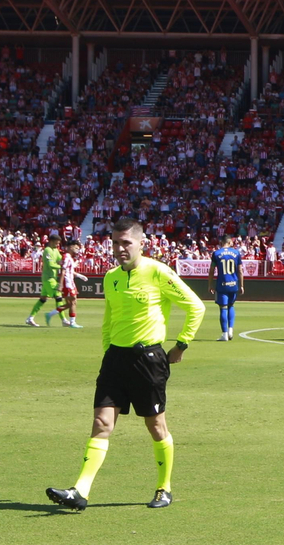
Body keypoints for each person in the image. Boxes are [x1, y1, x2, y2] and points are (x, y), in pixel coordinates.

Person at [46, 218, 205, 512]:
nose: (119, 248)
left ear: (141, 244)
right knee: (101, 423)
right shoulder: (111, 277)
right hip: (115, 360)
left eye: (126, 243)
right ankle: (80, 491)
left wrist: (181, 345)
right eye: (115, 243)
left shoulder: (158, 272)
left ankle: (164, 487)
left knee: (156, 426)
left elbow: (196, 306)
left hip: (149, 360)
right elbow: (109, 319)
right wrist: (108, 352)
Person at [210, 237, 245, 341]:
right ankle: (230, 330)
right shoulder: (236, 253)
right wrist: (241, 285)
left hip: (222, 284)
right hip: (233, 283)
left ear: (221, 242)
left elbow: (211, 270)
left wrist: (210, 285)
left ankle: (224, 334)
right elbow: (240, 270)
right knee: (231, 306)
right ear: (229, 242)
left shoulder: (216, 253)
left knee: (223, 308)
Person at [26, 235, 63, 327]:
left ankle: (30, 318)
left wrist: (67, 261)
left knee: (43, 299)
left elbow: (61, 259)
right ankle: (64, 320)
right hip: (48, 278)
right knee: (58, 296)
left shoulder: (56, 250)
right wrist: (62, 267)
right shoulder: (47, 250)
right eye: (56, 242)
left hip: (52, 278)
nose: (58, 244)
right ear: (51, 241)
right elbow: (50, 264)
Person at [56, 240, 89, 329]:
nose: (78, 250)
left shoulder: (69, 257)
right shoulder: (66, 257)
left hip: (71, 282)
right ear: (70, 247)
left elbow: (70, 271)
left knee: (72, 302)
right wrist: (61, 284)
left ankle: (52, 314)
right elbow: (63, 271)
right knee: (72, 302)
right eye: (76, 248)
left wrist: (80, 276)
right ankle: (72, 322)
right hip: (68, 283)